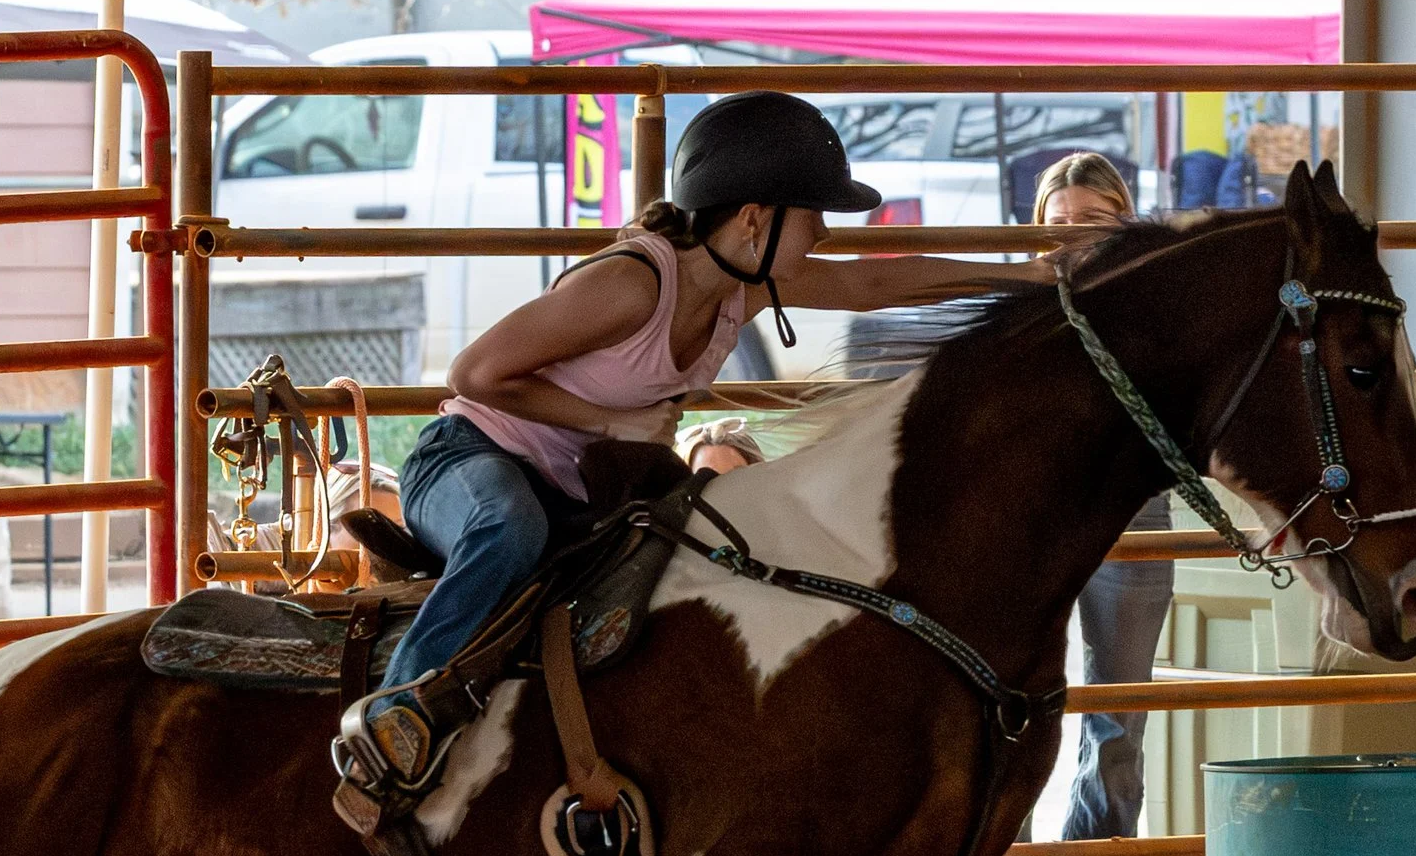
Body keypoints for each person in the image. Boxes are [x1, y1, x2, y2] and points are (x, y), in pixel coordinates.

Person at [333, 91, 1052, 805]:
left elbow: (872, 281)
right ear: (752, 221)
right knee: (507, 526)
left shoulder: (744, 288)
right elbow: (475, 375)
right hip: (467, 456)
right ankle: (399, 710)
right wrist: (609, 424)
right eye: (814, 215)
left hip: (575, 485)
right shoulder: (634, 284)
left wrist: (1025, 277)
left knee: (715, 549)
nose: (824, 236)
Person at [1028, 152, 1170, 856]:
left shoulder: (1155, 303)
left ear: (1123, 220)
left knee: (1119, 712)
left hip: (1132, 506)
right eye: (1060, 222)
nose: (1074, 236)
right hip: (1035, 510)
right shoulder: (1023, 301)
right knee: (1010, 699)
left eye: (1092, 220)